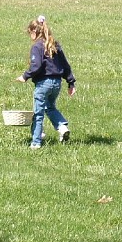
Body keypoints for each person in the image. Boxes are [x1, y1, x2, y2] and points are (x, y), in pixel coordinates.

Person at [15, 15, 76, 149]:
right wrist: (71, 82)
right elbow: (65, 65)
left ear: (34, 32)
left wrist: (25, 76)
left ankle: (36, 142)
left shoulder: (37, 47)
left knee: (38, 113)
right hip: (57, 83)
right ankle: (62, 127)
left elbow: (36, 66)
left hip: (43, 84)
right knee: (50, 107)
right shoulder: (55, 45)